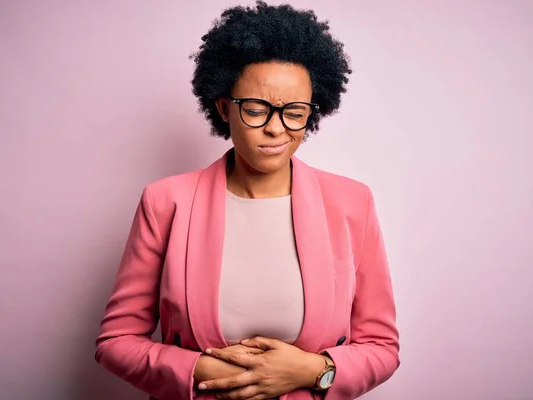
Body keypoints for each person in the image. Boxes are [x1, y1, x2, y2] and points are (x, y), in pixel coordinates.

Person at [94, 2, 400, 399]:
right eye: (256, 109)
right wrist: (197, 370)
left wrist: (314, 370)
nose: (276, 129)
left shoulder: (351, 203)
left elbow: (382, 348)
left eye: (294, 112)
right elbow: (116, 341)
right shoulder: (165, 202)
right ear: (224, 108)